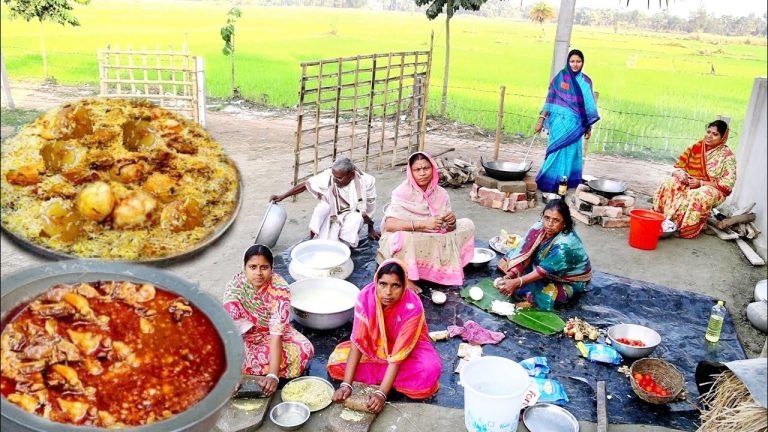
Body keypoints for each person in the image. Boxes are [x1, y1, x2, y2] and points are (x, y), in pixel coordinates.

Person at [327, 259, 441, 413]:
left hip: (409, 349)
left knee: (429, 369)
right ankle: (389, 377)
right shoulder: (365, 298)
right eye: (383, 284)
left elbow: (399, 356)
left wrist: (381, 393)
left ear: (405, 285)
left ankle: (383, 377)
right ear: (376, 281)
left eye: (395, 285)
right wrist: (346, 384)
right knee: (337, 363)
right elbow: (358, 342)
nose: (388, 292)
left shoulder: (412, 307)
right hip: (374, 346)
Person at [223, 244, 315, 396]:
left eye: (264, 267)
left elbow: (276, 335)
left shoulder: (280, 289)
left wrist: (273, 375)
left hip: (272, 335)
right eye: (253, 267)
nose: (258, 273)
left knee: (304, 349)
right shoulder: (234, 288)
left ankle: (256, 369)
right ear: (244, 268)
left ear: (272, 268)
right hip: (243, 339)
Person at [376, 152, 475, 286]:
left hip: (435, 236)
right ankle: (406, 276)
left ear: (433, 169)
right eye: (417, 170)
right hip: (412, 235)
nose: (422, 173)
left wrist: (451, 222)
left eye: (426, 168)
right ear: (411, 172)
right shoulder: (402, 192)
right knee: (402, 238)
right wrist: (423, 224)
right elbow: (389, 225)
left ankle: (443, 268)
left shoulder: (441, 193)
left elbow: (447, 228)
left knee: (467, 224)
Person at [496, 199, 592, 311]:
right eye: (547, 218)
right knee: (514, 254)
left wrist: (517, 282)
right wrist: (512, 274)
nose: (549, 224)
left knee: (544, 292)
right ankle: (517, 282)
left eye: (556, 220)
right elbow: (526, 253)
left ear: (565, 223)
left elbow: (542, 272)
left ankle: (531, 299)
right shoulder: (539, 227)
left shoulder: (566, 244)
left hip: (567, 280)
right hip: (544, 266)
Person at [270, 156, 379, 247]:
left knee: (356, 219)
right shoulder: (329, 175)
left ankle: (343, 246)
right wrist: (282, 196)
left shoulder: (367, 181)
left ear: (350, 175)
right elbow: (305, 185)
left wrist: (371, 229)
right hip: (333, 210)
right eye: (334, 177)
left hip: (353, 212)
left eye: (339, 178)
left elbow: (370, 207)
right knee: (321, 208)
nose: (335, 180)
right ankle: (313, 240)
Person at [653, 120, 736, 239]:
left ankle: (685, 227)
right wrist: (681, 174)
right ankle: (661, 219)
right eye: (708, 132)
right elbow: (679, 168)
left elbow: (727, 185)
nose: (709, 136)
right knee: (669, 182)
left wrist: (701, 183)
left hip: (712, 189)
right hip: (691, 182)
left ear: (723, 137)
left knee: (699, 194)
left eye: (715, 134)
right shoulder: (697, 147)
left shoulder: (727, 156)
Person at [535, 49, 600, 194]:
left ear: (582, 63)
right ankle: (547, 182)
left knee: (571, 153)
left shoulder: (586, 82)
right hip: (558, 122)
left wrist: (588, 127)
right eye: (572, 61)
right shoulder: (560, 78)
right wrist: (541, 119)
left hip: (576, 125)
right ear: (568, 62)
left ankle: (563, 185)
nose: (575, 64)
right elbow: (550, 100)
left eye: (578, 61)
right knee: (555, 151)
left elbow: (589, 106)